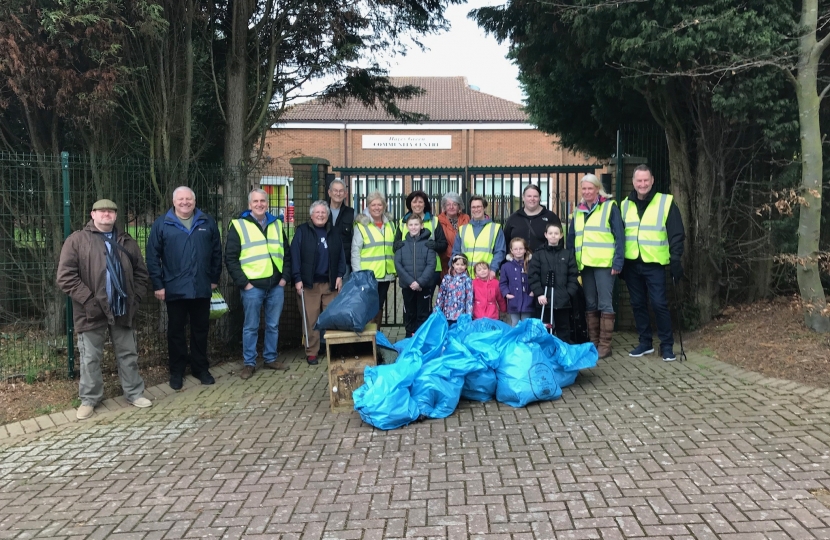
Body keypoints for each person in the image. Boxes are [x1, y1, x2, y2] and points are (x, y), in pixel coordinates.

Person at [57, 199, 153, 420]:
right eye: (102, 211)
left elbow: (141, 273)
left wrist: (135, 298)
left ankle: (134, 393)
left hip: (122, 309)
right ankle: (89, 399)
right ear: (92, 214)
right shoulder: (77, 240)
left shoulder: (127, 241)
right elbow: (65, 277)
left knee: (128, 353)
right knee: (90, 357)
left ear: (116, 216)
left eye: (110, 211)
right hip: (90, 311)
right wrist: (89, 301)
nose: (106, 214)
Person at [146, 186, 222, 390]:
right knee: (176, 331)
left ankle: (200, 368)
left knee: (201, 330)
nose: (185, 202)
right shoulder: (162, 224)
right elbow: (152, 257)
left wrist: (214, 278)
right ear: (174, 202)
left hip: (201, 287)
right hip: (174, 288)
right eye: (181, 199)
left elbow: (217, 252)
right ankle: (177, 371)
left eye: (189, 199)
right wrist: (158, 284)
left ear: (194, 201)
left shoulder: (207, 222)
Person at [621, 164, 686, 362]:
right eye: (639, 181)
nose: (642, 184)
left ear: (652, 181)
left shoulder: (665, 202)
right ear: (633, 182)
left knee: (659, 304)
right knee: (637, 304)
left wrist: (676, 259)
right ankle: (645, 342)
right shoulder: (624, 204)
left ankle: (667, 345)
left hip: (655, 263)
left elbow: (677, 234)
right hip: (632, 263)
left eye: (646, 180)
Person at [225, 189, 292, 379]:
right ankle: (249, 363)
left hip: (275, 285)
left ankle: (270, 358)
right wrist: (244, 284)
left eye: (263, 201)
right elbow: (230, 258)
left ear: (267, 203)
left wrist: (284, 278)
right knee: (251, 326)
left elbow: (286, 254)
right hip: (252, 286)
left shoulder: (277, 224)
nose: (259, 204)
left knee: (273, 325)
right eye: (255, 201)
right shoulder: (238, 226)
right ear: (249, 205)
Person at [567, 174, 625, 358]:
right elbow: (571, 238)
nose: (586, 192)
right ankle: (593, 342)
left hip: (604, 264)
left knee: (604, 303)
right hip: (585, 264)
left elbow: (620, 236)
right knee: (590, 302)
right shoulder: (578, 210)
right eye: (583, 189)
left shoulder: (609, 207)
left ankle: (605, 346)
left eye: (590, 188)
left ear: (597, 189)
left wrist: (618, 261)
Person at [290, 200, 346, 365]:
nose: (321, 215)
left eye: (324, 213)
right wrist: (297, 278)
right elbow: (295, 256)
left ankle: (333, 350)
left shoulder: (333, 232)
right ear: (311, 215)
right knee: (311, 319)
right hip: (309, 285)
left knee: (332, 318)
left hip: (330, 284)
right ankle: (312, 352)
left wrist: (340, 275)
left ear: (327, 215)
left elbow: (341, 256)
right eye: (318, 212)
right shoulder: (302, 231)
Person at [352, 191, 397, 329]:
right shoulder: (361, 225)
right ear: (368, 206)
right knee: (368, 306)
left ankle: (375, 337)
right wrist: (358, 274)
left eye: (380, 204)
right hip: (368, 275)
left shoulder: (390, 224)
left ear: (384, 206)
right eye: (373, 205)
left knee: (379, 306)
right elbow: (355, 251)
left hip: (385, 274)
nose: (377, 207)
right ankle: (366, 341)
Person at [529, 222, 579, 343]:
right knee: (544, 329)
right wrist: (539, 294)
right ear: (545, 235)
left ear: (561, 235)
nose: (553, 236)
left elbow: (573, 276)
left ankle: (562, 353)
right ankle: (545, 354)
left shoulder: (567, 255)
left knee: (563, 329)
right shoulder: (539, 254)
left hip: (563, 301)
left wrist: (568, 293)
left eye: (556, 233)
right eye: (550, 233)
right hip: (544, 300)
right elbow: (533, 275)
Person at [393, 190, 448, 295]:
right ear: (410, 204)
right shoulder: (402, 222)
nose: (417, 205)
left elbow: (443, 244)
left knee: (425, 306)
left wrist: (435, 245)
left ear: (425, 204)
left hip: (430, 271)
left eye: (420, 202)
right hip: (408, 272)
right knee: (409, 308)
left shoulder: (434, 221)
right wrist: (398, 245)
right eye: (414, 202)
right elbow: (395, 246)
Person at [393, 214, 437, 337]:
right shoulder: (402, 245)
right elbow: (398, 264)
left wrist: (420, 282)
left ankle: (421, 338)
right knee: (409, 313)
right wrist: (411, 282)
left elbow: (431, 265)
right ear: (407, 227)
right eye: (411, 225)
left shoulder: (428, 244)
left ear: (422, 225)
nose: (413, 227)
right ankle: (408, 337)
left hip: (424, 286)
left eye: (416, 224)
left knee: (423, 314)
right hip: (408, 286)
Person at [451, 196, 506, 279]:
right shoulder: (463, 229)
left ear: (484, 208)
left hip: (486, 276)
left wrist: (493, 269)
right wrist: (452, 267)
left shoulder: (495, 228)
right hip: (465, 276)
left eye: (478, 207)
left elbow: (500, 252)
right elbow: (456, 251)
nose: (476, 209)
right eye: (473, 207)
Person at [503, 184, 563, 253]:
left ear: (539, 198)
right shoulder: (513, 218)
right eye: (529, 196)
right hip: (518, 261)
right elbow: (505, 241)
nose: (532, 199)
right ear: (523, 197)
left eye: (535, 196)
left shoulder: (551, 217)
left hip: (544, 262)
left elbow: (560, 242)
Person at [500, 237, 535, 326]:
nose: (518, 251)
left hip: (528, 300)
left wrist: (533, 291)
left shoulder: (532, 265)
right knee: (514, 323)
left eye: (521, 248)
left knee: (526, 323)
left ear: (525, 250)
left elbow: (536, 279)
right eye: (515, 249)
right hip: (513, 300)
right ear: (511, 250)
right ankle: (515, 340)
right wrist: (507, 294)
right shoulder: (506, 266)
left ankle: (525, 340)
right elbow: (503, 283)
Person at [436, 192, 470, 281]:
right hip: (445, 262)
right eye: (448, 204)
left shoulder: (467, 219)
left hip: (463, 262)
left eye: (454, 204)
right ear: (444, 207)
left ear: (459, 206)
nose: (451, 207)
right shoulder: (438, 221)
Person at [436, 254, 473, 326]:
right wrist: (437, 309)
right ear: (453, 264)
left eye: (462, 265)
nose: (459, 267)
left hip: (461, 314)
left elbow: (469, 298)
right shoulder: (447, 278)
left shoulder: (467, 280)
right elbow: (441, 295)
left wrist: (469, 314)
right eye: (457, 264)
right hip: (447, 313)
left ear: (466, 266)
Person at [327, 179, 355, 272]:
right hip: (324, 261)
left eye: (341, 191)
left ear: (345, 194)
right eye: (335, 190)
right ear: (329, 192)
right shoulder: (322, 211)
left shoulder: (351, 213)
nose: (338, 194)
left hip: (344, 263)